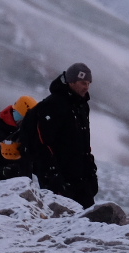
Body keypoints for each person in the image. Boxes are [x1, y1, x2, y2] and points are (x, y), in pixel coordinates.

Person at [20, 62, 97, 207]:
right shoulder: (53, 105)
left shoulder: (82, 106)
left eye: (88, 83)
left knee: (88, 223)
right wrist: (52, 175)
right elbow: (42, 143)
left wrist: (91, 171)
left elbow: (84, 142)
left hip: (80, 178)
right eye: (82, 82)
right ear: (71, 81)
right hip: (59, 178)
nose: (86, 87)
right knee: (64, 223)